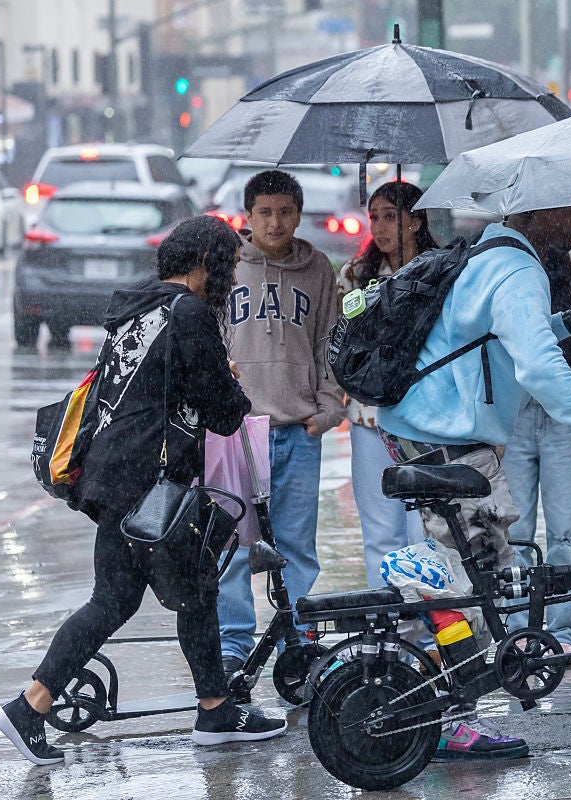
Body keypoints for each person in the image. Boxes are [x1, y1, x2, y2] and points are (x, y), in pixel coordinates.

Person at [0, 216, 287, 766]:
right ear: (206, 265)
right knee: (188, 591)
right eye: (227, 268)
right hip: (151, 484)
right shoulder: (189, 314)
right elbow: (224, 413)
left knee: (122, 599)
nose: (228, 279)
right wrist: (234, 382)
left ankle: (31, 709)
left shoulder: (137, 310)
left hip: (112, 476)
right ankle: (214, 711)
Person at [377, 204, 571, 760]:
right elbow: (536, 364)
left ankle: (421, 681)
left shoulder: (490, 253)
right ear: (535, 210)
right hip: (447, 440)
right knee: (476, 583)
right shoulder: (517, 270)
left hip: (427, 430)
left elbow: (501, 340)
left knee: (475, 575)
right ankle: (441, 715)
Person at [218, 170, 345, 692]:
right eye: (265, 212)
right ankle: (232, 646)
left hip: (299, 428)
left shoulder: (317, 269)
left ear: (299, 213)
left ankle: (299, 640)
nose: (276, 222)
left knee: (297, 544)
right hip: (236, 431)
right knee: (232, 544)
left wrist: (329, 407)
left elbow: (330, 342)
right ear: (248, 217)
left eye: (285, 212)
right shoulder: (226, 266)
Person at [502, 245, 571, 655]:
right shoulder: (507, 280)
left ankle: (564, 636)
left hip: (567, 417)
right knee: (514, 535)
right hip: (513, 419)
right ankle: (518, 634)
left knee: (566, 534)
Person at [338, 181, 437, 588]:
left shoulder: (439, 269)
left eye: (391, 217)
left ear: (415, 221)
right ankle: (389, 627)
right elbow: (345, 342)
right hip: (369, 416)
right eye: (374, 217)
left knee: (426, 528)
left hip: (427, 415)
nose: (379, 227)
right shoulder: (356, 276)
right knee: (381, 529)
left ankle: (437, 631)